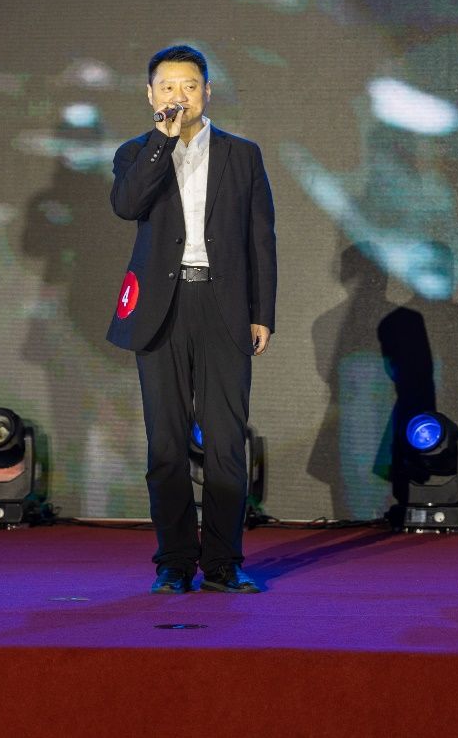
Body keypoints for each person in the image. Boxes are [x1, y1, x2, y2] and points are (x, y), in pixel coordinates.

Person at [106, 44, 277, 594]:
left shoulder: (241, 154)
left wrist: (261, 313)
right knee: (166, 443)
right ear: (150, 95)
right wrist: (163, 140)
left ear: (207, 91)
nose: (179, 96)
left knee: (226, 442)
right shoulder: (136, 151)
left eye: (189, 86)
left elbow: (261, 238)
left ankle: (223, 562)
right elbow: (127, 205)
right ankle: (174, 562)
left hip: (224, 306)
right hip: (162, 307)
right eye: (168, 87)